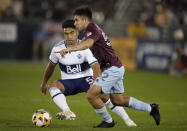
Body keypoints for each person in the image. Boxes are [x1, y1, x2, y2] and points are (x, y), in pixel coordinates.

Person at [56, 7, 160, 128]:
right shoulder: (89, 33)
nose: (75, 23)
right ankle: (151, 108)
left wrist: (71, 48)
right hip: (113, 67)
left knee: (91, 95)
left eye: (76, 20)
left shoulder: (92, 28)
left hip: (113, 68)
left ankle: (108, 121)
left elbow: (88, 44)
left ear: (85, 20)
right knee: (118, 101)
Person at [41, 19, 137, 126]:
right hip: (68, 83)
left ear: (77, 32)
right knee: (53, 86)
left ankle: (128, 120)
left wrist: (95, 84)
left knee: (105, 97)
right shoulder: (57, 49)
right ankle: (67, 111)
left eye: (71, 33)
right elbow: (50, 67)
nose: (69, 36)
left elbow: (95, 66)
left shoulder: (85, 47)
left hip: (86, 80)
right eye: (66, 33)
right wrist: (44, 83)